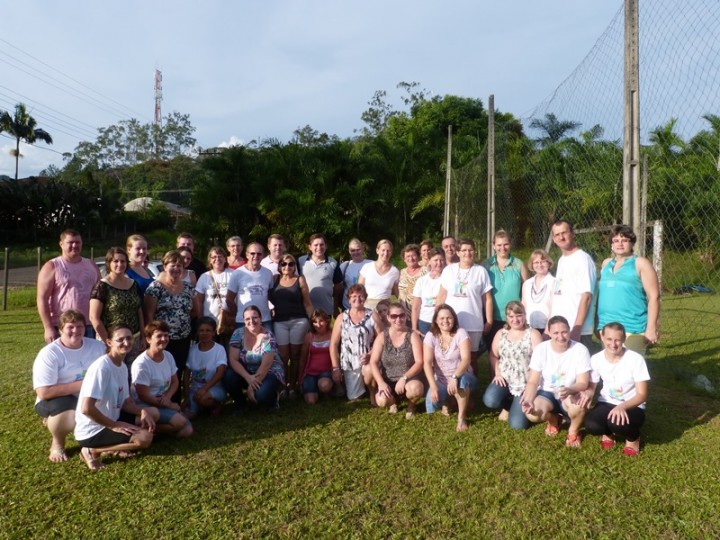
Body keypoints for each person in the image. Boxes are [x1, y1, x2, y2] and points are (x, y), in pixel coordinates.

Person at [74, 324, 156, 470]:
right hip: (93, 429)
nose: (126, 342)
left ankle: (117, 446)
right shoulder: (102, 367)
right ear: (109, 342)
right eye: (120, 339)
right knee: (145, 438)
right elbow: (86, 409)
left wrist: (141, 412)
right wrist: (114, 425)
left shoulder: (122, 366)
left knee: (152, 413)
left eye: (129, 338)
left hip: (112, 418)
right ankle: (92, 451)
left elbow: (125, 402)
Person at [32, 310, 107, 463]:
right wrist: (85, 385)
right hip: (55, 399)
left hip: (89, 395)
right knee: (70, 415)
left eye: (79, 326)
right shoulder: (49, 353)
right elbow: (44, 392)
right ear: (60, 330)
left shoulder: (97, 347)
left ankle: (102, 440)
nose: (76, 331)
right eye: (70, 327)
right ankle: (58, 443)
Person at [579, 322, 650, 456]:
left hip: (632, 404)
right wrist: (587, 394)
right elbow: (592, 386)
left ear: (624, 339)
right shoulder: (596, 359)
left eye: (617, 340)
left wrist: (622, 406)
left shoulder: (636, 359)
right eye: (609, 339)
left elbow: (642, 395)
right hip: (606, 401)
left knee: (617, 424)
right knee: (592, 425)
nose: (613, 344)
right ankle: (608, 432)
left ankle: (633, 438)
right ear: (602, 337)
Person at [520, 315, 591, 448]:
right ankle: (554, 420)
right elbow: (533, 381)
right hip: (547, 392)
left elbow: (583, 383)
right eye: (556, 333)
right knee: (532, 415)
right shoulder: (541, 349)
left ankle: (573, 431)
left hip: (570, 393)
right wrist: (528, 399)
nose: (561, 336)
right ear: (549, 333)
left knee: (579, 407)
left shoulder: (580, 350)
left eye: (564, 332)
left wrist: (570, 390)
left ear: (569, 331)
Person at [596, 225, 660, 354]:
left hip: (632, 326)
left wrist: (651, 327)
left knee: (630, 368)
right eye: (616, 241)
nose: (620, 244)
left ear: (632, 243)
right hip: (606, 326)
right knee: (610, 366)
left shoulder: (640, 263)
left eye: (624, 240)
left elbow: (654, 297)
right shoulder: (606, 263)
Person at [482, 301, 542, 429]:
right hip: (505, 378)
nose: (515, 319)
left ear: (525, 315)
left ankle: (524, 405)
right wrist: (497, 373)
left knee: (517, 425)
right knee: (490, 400)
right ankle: (508, 406)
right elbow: (493, 355)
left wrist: (531, 385)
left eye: (518, 315)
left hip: (525, 382)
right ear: (507, 318)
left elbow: (540, 362)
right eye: (511, 316)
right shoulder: (501, 333)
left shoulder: (533, 334)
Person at [143, 250, 195, 400]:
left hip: (183, 337)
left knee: (178, 370)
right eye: (173, 265)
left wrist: (181, 323)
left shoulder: (188, 288)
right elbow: (149, 315)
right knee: (163, 371)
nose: (176, 269)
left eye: (180, 266)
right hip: (162, 339)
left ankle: (176, 402)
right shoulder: (155, 288)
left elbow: (194, 311)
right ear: (165, 266)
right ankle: (159, 401)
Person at [436, 238, 493, 373]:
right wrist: (437, 318)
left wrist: (489, 321)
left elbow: (487, 299)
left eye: (471, 250)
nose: (467, 253)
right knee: (451, 356)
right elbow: (441, 296)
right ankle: (450, 386)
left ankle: (471, 390)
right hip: (449, 323)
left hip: (473, 323)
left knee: (471, 358)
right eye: (464, 250)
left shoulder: (480, 271)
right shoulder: (449, 270)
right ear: (458, 252)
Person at [131, 321, 194, 438]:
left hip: (162, 403)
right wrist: (168, 405)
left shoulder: (168, 356)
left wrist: (168, 398)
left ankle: (154, 431)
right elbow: (143, 395)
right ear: (149, 339)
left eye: (166, 335)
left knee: (187, 431)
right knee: (181, 423)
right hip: (146, 406)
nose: (164, 339)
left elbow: (175, 381)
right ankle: (144, 429)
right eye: (159, 336)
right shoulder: (141, 364)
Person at [37, 229, 101, 343]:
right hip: (62, 326)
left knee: (88, 359)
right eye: (70, 242)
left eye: (78, 242)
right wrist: (48, 327)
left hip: (89, 325)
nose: (74, 245)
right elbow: (42, 298)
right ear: (61, 244)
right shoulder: (52, 266)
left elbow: (101, 295)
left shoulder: (91, 265)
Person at [423, 304, 477, 432]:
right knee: (432, 404)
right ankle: (451, 401)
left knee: (461, 383)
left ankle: (461, 418)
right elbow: (427, 362)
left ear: (454, 319)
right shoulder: (431, 336)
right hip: (441, 379)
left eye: (449, 318)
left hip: (462, 375)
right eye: (441, 318)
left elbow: (466, 360)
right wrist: (433, 385)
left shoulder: (460, 333)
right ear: (436, 320)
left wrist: (455, 377)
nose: (445, 321)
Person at [224, 305, 286, 412]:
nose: (251, 321)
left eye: (255, 317)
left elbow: (266, 364)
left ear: (261, 318)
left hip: (269, 372)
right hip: (248, 372)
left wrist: (251, 386)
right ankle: (241, 404)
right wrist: (248, 377)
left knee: (261, 395)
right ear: (243, 320)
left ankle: (273, 399)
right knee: (229, 376)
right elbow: (233, 359)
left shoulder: (268, 336)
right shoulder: (238, 333)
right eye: (247, 319)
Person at [269, 254, 314, 396]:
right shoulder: (274, 279)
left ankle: (294, 385)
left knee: (295, 354)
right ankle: (283, 385)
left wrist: (313, 321)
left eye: (291, 264)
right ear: (279, 266)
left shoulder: (300, 280)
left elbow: (307, 303)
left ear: (295, 266)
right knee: (283, 355)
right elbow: (269, 298)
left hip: (299, 321)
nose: (287, 267)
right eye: (283, 264)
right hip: (280, 321)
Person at [369, 303, 425, 418]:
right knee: (381, 401)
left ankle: (411, 406)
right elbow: (373, 362)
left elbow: (419, 362)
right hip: (388, 379)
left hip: (409, 378)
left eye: (402, 316)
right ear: (388, 317)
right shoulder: (382, 336)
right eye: (394, 316)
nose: (398, 319)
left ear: (406, 316)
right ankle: (393, 403)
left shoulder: (413, 335)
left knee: (416, 389)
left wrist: (404, 378)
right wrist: (381, 383)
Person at [89, 247, 144, 359]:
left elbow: (139, 311)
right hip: (113, 341)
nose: (120, 264)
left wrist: (143, 336)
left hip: (134, 339)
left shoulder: (134, 285)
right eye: (115, 261)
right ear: (109, 263)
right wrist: (108, 342)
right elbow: (94, 317)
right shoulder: (102, 286)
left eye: (123, 261)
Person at [549, 220, 597, 347]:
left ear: (572, 234)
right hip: (559, 329)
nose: (561, 237)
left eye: (564, 233)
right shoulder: (561, 260)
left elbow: (586, 297)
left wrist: (577, 329)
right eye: (557, 234)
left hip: (577, 330)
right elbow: (557, 292)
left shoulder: (583, 259)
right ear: (553, 239)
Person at [329, 284, 378, 401]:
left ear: (365, 298)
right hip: (350, 362)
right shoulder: (341, 317)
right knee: (355, 398)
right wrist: (335, 368)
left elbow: (381, 339)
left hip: (368, 359)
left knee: (369, 371)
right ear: (349, 299)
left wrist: (371, 354)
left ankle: (372, 392)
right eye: (354, 296)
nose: (357, 299)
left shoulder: (373, 316)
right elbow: (333, 344)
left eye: (361, 296)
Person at [482, 230, 529, 345]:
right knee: (494, 352)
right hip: (492, 318)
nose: (502, 248)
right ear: (493, 246)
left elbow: (527, 290)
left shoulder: (519, 264)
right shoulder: (486, 265)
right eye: (499, 245)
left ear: (510, 245)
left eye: (506, 244)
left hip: (515, 318)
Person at [182, 317, 228, 419]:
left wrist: (204, 389)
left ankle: (216, 406)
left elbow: (220, 373)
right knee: (188, 415)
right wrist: (186, 396)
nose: (204, 333)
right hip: (195, 389)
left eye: (208, 330)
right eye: (201, 331)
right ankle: (199, 408)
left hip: (215, 388)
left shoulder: (219, 349)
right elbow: (186, 374)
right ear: (197, 333)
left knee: (203, 399)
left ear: (213, 333)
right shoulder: (192, 350)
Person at [226, 242, 275, 331]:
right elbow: (229, 299)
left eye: (259, 254)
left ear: (263, 255)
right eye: (252, 253)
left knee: (268, 344)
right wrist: (238, 313)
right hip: (243, 321)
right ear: (247, 255)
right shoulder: (238, 273)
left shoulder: (268, 273)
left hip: (265, 320)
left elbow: (271, 296)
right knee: (245, 345)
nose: (256, 256)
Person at [194, 246, 234, 342]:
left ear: (225, 258)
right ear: (210, 260)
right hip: (209, 322)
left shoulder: (233, 274)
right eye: (214, 257)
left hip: (227, 321)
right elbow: (198, 300)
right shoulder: (204, 277)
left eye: (220, 256)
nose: (217, 259)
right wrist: (200, 320)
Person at [298, 234, 344, 316]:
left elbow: (338, 286)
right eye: (315, 245)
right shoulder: (301, 261)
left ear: (326, 246)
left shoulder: (333, 263)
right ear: (310, 247)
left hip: (325, 311)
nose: (319, 248)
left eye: (322, 244)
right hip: (304, 310)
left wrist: (328, 293)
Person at [299, 310, 334, 405]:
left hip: (327, 372)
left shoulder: (333, 334)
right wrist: (300, 378)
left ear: (327, 321)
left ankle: (327, 389)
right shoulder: (309, 337)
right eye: (315, 322)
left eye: (321, 321)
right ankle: (314, 389)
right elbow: (303, 359)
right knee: (311, 401)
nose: (318, 325)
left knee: (324, 386)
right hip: (310, 372)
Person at [411, 248, 445, 337]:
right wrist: (414, 327)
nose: (439, 263)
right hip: (424, 322)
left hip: (441, 322)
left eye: (441, 260)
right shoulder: (422, 280)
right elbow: (416, 306)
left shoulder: (447, 279)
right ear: (429, 261)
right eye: (436, 260)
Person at [521, 249, 556, 333]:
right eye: (536, 262)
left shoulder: (556, 282)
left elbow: (555, 308)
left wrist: (547, 331)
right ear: (532, 265)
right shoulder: (527, 283)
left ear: (549, 263)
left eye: (543, 261)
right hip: (528, 327)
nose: (539, 265)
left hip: (547, 328)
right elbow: (523, 305)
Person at [358, 239, 399, 310]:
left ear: (391, 253)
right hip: (368, 307)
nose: (386, 253)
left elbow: (398, 293)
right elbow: (359, 289)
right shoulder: (367, 267)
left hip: (386, 309)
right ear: (377, 250)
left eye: (388, 251)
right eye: (383, 250)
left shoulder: (395, 271)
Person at [339, 238, 372, 310]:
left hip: (367, 306)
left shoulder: (371, 264)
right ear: (349, 251)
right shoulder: (344, 266)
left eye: (358, 250)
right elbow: (338, 286)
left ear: (362, 249)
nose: (356, 252)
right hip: (348, 307)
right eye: (353, 250)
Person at [397, 243, 427, 321]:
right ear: (404, 258)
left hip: (421, 314)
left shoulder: (426, 271)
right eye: (408, 256)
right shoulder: (401, 272)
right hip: (402, 316)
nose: (411, 259)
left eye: (413, 255)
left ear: (418, 256)